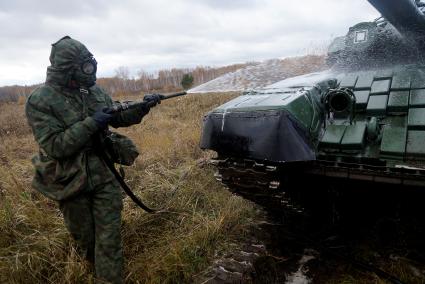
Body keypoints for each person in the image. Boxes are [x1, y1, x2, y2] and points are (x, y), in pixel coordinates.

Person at [25, 36, 160, 283]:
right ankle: (93, 269)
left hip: (104, 175)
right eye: (85, 67)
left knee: (109, 238)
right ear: (69, 69)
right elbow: (55, 146)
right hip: (69, 181)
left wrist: (143, 106)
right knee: (86, 239)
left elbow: (117, 116)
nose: (92, 71)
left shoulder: (94, 91)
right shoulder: (41, 100)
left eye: (92, 64)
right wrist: (91, 123)